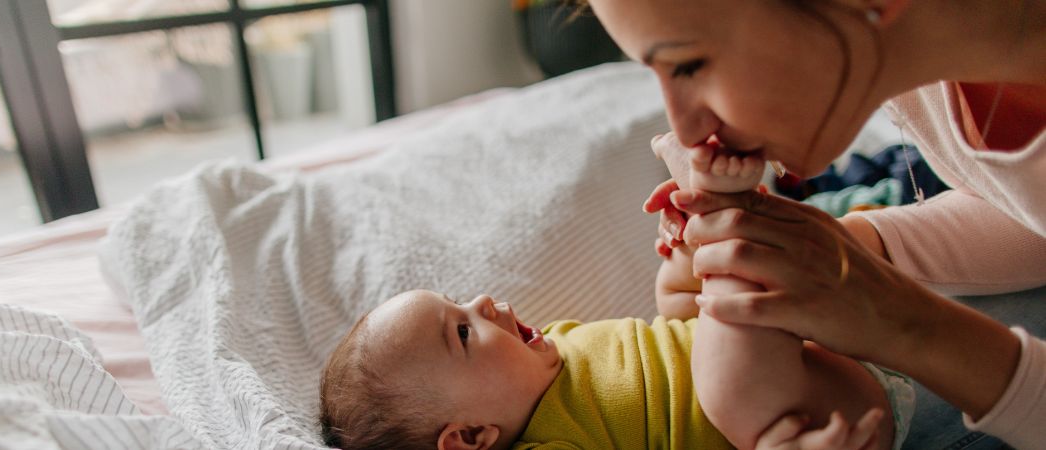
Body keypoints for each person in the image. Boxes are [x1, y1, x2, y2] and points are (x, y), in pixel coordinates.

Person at [583, 0, 1046, 448]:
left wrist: (905, 322)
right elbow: (1028, 207)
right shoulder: (913, 59)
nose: (684, 128)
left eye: (689, 65)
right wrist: (849, 250)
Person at [317, 155, 908, 450]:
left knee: (683, 291)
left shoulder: (561, 345)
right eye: (464, 332)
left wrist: (681, 266)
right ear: (471, 438)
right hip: (807, 421)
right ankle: (732, 217)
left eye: (460, 302)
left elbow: (669, 334)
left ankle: (719, 237)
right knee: (726, 375)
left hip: (825, 354)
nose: (485, 303)